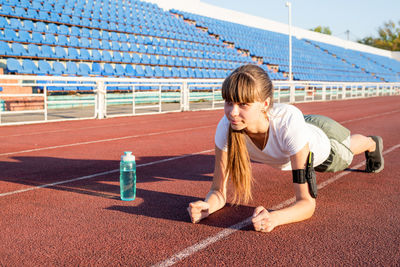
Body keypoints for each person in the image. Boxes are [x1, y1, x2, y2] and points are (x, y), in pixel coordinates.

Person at [187, 64, 384, 232]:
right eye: (229, 102)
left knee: (347, 151)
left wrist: (275, 218)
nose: (232, 112)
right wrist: (207, 206)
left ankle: (372, 142)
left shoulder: (287, 124)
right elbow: (217, 192)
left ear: (264, 104)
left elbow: (306, 204)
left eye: (243, 104)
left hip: (325, 142)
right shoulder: (227, 127)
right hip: (299, 127)